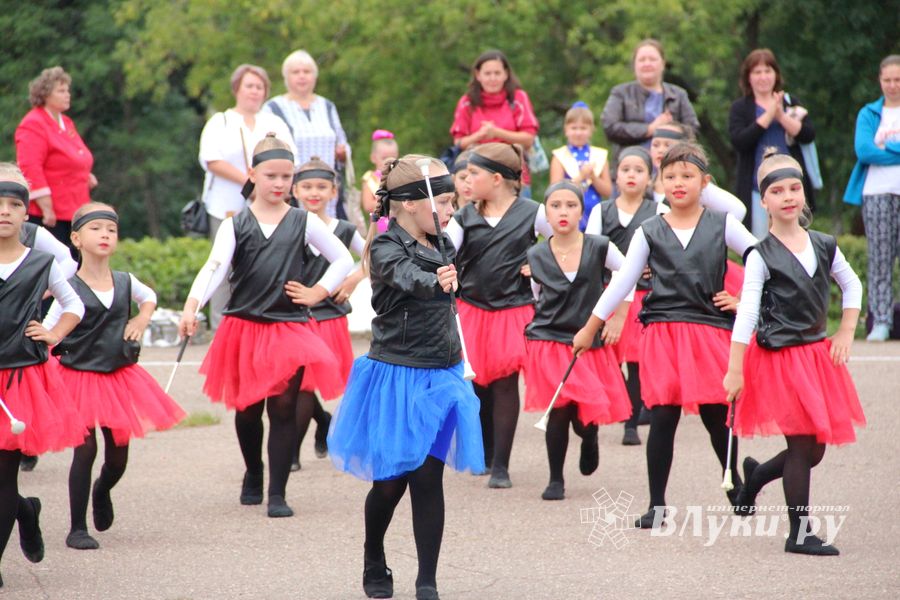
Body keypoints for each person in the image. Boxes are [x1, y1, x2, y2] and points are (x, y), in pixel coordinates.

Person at [574, 142, 757, 528]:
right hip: (663, 333)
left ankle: (734, 484)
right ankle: (657, 506)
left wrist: (742, 298)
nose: (678, 183)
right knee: (663, 417)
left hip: (708, 331)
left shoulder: (722, 223)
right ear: (660, 182)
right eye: (670, 176)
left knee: (715, 414)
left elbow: (763, 260)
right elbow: (621, 281)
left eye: (688, 176)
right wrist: (590, 327)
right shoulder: (649, 230)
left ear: (704, 182)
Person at [327, 155, 483, 600]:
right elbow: (406, 277)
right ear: (413, 204)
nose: (451, 212)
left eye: (453, 203)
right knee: (390, 483)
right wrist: (438, 279)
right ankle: (373, 553)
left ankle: (427, 581)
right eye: (446, 203)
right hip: (397, 375)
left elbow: (450, 288)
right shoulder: (383, 246)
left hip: (442, 375)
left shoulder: (444, 242)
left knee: (428, 478)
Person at [178, 135, 353, 519]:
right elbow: (215, 269)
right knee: (246, 410)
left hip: (288, 327)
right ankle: (253, 471)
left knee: (285, 408)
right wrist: (192, 307)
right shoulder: (234, 225)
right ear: (253, 175)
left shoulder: (302, 220)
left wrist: (317, 291)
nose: (278, 183)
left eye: (286, 176)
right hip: (243, 326)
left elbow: (343, 258)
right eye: (271, 175)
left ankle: (277, 491)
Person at [724, 149, 865, 555]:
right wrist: (734, 370)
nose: (787, 196)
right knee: (803, 446)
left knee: (814, 449)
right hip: (778, 360)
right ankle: (798, 533)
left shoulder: (823, 244)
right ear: (763, 201)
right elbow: (747, 312)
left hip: (817, 356)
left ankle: (755, 479)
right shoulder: (760, 255)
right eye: (777, 190)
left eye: (794, 188)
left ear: (803, 195)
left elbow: (852, 286)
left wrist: (845, 332)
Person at [43, 203, 186, 550]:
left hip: (117, 376)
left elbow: (148, 296)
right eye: (95, 229)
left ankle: (102, 490)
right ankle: (77, 527)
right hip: (75, 375)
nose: (105, 234)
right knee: (85, 449)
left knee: (118, 455)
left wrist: (141, 318)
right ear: (76, 238)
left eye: (111, 229)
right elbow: (50, 328)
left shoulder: (124, 281)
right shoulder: (67, 285)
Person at [445, 142, 553, 488]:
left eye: (473, 173)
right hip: (472, 309)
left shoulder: (532, 211)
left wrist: (537, 261)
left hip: (513, 309)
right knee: (478, 385)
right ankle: (486, 452)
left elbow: (563, 242)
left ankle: (502, 465)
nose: (467, 179)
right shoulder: (464, 216)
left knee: (506, 383)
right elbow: (444, 251)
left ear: (495, 178)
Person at [0, 163, 86, 589]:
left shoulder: (42, 262)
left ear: (26, 214)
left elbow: (75, 304)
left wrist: (52, 333)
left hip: (19, 379)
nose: (4, 212)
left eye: (14, 205)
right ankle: (25, 511)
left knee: (3, 473)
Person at [524, 181, 631, 501]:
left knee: (583, 414)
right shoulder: (536, 253)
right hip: (550, 340)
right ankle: (555, 478)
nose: (563, 212)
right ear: (546, 212)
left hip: (589, 340)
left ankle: (590, 436)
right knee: (559, 408)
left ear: (581, 212)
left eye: (570, 205)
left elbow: (628, 275)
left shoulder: (600, 246)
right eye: (555, 206)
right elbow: (536, 298)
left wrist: (618, 317)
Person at [198, 64, 298, 331]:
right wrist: (250, 183)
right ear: (237, 89)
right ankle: (221, 328)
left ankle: (261, 324)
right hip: (227, 206)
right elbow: (211, 159)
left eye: (259, 87)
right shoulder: (221, 121)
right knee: (223, 266)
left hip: (270, 207)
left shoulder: (274, 122)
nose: (254, 92)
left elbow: (290, 157)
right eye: (249, 86)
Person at [585, 146, 668, 446]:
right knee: (606, 356)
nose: (631, 175)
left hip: (644, 297)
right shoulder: (601, 211)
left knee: (635, 362)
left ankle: (631, 423)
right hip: (609, 293)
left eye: (639, 170)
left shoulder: (658, 210)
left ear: (650, 178)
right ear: (615, 175)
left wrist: (652, 266)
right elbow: (591, 252)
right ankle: (610, 412)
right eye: (625, 169)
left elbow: (668, 251)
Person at [290, 158, 366, 470]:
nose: (314, 192)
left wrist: (353, 278)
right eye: (307, 186)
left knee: (308, 385)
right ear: (295, 190)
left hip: (329, 318)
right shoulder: (289, 225)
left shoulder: (344, 230)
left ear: (333, 191)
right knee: (299, 385)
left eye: (321, 187)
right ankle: (316, 426)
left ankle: (292, 451)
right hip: (295, 318)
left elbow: (375, 255)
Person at [728, 48, 816, 238]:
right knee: (760, 243)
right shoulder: (740, 108)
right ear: (748, 77)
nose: (763, 77)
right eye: (757, 72)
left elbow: (808, 134)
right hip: (756, 189)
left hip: (791, 186)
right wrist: (768, 116)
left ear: (776, 74)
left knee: (795, 239)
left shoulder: (790, 102)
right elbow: (739, 141)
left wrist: (781, 116)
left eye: (768, 71)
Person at [844, 54, 900, 342]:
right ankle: (880, 320)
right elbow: (864, 151)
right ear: (880, 80)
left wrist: (887, 146)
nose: (892, 85)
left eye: (897, 79)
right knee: (879, 259)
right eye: (887, 79)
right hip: (877, 193)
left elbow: (876, 149)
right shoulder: (869, 113)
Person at [15, 66, 97, 252]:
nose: (67, 94)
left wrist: (84, 173)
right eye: (61, 90)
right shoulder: (33, 123)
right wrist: (46, 207)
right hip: (51, 214)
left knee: (75, 263)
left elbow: (74, 155)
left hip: (74, 207)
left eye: (67, 90)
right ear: (45, 94)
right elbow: (30, 166)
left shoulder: (66, 122)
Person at [264, 50, 349, 217]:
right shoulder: (273, 107)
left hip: (327, 187)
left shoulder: (327, 106)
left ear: (315, 76)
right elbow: (267, 148)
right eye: (296, 72)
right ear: (286, 77)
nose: (302, 76)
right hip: (293, 189)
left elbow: (342, 141)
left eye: (307, 72)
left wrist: (342, 153)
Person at [449, 50, 539, 197]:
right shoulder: (467, 103)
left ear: (506, 74)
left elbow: (529, 139)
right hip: (478, 176)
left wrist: (497, 133)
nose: (492, 78)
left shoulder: (518, 99)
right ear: (478, 75)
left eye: (497, 73)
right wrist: (479, 135)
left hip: (514, 176)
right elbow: (459, 142)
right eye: (488, 73)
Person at [601, 39, 700, 169]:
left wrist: (670, 132)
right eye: (642, 60)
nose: (647, 63)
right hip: (631, 170)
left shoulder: (678, 94)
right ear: (634, 65)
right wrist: (649, 129)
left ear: (663, 63)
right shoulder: (620, 93)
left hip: (671, 168)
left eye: (652, 59)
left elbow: (693, 130)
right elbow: (610, 126)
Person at [549, 102, 612, 230]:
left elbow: (609, 191)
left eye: (583, 128)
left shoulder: (599, 155)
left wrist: (593, 177)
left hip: (595, 212)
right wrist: (581, 176)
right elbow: (554, 191)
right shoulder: (560, 156)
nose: (578, 133)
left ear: (591, 130)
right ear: (566, 129)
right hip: (568, 214)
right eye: (574, 128)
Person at [361, 130, 400, 217]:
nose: (389, 161)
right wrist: (391, 202)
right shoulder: (370, 178)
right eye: (384, 158)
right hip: (379, 224)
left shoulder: (400, 176)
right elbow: (367, 206)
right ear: (373, 158)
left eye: (393, 157)